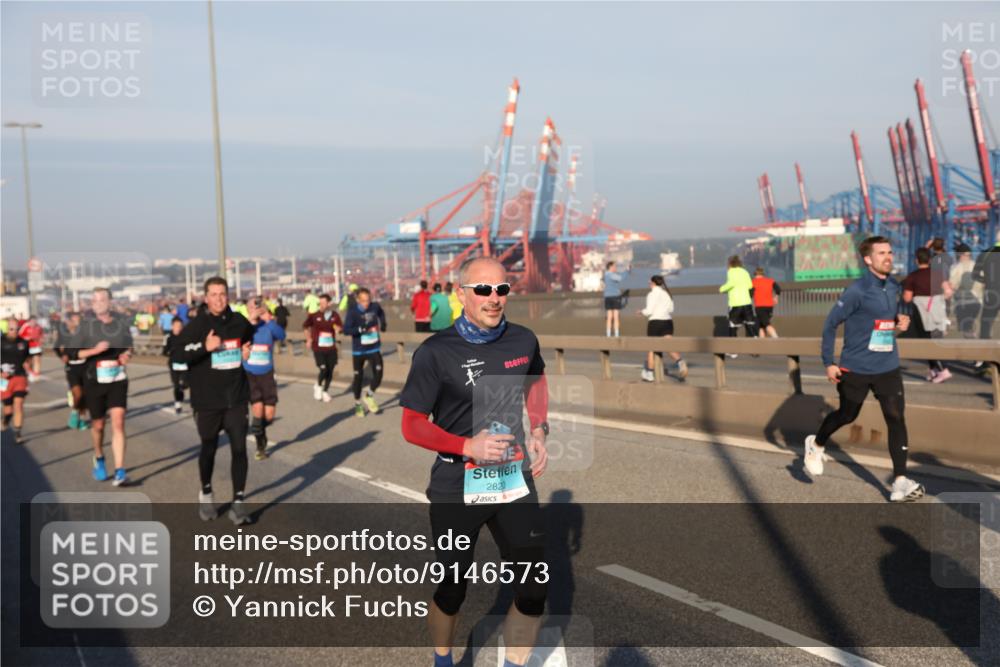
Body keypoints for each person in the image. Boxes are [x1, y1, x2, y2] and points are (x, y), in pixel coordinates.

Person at [400, 257, 550, 667]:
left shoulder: (523, 340)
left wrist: (538, 429)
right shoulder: (436, 352)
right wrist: (467, 446)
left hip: (511, 478)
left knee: (534, 589)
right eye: (483, 290)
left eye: (501, 289)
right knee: (452, 589)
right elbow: (411, 425)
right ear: (460, 294)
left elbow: (535, 381)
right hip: (456, 483)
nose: (494, 298)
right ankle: (443, 658)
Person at [804, 236, 923, 503]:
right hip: (856, 365)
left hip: (887, 365)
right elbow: (830, 324)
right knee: (847, 414)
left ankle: (900, 481)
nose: (888, 257)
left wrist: (898, 324)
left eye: (890, 252)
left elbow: (882, 321)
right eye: (882, 253)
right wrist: (829, 362)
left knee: (895, 417)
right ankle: (817, 443)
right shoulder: (857, 290)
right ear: (868, 259)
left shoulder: (892, 286)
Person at [173, 276, 255, 525]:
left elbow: (248, 338)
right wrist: (204, 347)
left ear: (227, 295)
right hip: (207, 401)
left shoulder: (239, 321)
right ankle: (206, 492)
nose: (219, 299)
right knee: (208, 448)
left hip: (236, 397)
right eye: (214, 294)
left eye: (223, 294)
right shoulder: (198, 325)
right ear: (206, 298)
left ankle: (238, 502)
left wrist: (246, 350)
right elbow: (177, 353)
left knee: (240, 448)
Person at [76, 288, 134, 486]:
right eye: (95, 300)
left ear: (110, 302)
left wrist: (127, 355)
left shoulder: (121, 324)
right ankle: (99, 457)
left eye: (102, 299)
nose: (99, 303)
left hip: (117, 378)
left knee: (118, 422)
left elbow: (129, 345)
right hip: (94, 380)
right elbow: (77, 354)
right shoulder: (86, 326)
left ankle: (120, 470)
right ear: (92, 304)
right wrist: (94, 350)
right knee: (98, 425)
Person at [243, 297, 286, 459]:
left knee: (268, 416)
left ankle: (260, 430)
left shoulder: (267, 326)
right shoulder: (244, 326)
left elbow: (282, 335)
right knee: (257, 410)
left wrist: (269, 319)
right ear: (247, 309)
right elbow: (235, 336)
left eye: (258, 307)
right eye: (253, 307)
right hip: (250, 374)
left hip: (267, 374)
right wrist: (250, 320)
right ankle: (260, 445)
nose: (256, 309)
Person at [902, 247, 952, 383]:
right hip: (938, 310)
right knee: (936, 339)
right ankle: (933, 370)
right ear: (930, 260)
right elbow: (948, 291)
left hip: (922, 312)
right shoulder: (938, 273)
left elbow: (907, 298)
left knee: (927, 341)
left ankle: (943, 370)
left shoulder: (912, 276)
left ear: (916, 260)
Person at [343, 288, 387, 417]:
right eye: (363, 301)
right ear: (358, 300)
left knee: (379, 375)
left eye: (368, 300)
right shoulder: (352, 312)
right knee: (358, 378)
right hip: (359, 351)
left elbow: (381, 313)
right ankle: (358, 404)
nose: (366, 303)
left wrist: (383, 323)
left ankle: (369, 395)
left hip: (373, 347)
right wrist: (359, 329)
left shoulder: (374, 307)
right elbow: (346, 330)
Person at [639, 275, 687, 381]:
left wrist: (641, 312)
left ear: (653, 283)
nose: (648, 282)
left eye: (649, 281)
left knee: (652, 348)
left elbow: (649, 311)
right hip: (668, 322)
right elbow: (671, 309)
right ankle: (680, 362)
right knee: (668, 346)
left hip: (655, 322)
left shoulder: (651, 294)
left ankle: (650, 374)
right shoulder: (666, 294)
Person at [302, 294, 343, 402]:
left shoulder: (334, 315)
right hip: (318, 347)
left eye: (324, 303)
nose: (322, 305)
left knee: (330, 371)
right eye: (320, 303)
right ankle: (318, 386)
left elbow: (339, 327)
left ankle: (325, 391)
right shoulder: (314, 315)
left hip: (331, 348)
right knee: (323, 369)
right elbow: (305, 327)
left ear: (329, 303)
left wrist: (338, 329)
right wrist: (308, 339)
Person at [54, 311, 90, 430]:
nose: (77, 323)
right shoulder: (64, 335)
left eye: (79, 321)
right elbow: (56, 347)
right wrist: (62, 356)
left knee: (85, 395)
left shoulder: (85, 334)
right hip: (72, 367)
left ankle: (81, 419)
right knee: (78, 393)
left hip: (85, 366)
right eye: (75, 320)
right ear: (69, 321)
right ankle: (74, 414)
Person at [719, 255, 757, 356]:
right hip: (747, 303)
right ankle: (756, 349)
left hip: (735, 304)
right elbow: (750, 286)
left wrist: (721, 289)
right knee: (750, 326)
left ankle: (733, 351)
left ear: (730, 263)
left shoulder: (731, 272)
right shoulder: (745, 271)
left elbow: (731, 283)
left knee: (732, 327)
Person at [2, 318, 32, 444]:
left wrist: (28, 365)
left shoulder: (24, 343)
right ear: (7, 329)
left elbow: (28, 358)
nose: (14, 331)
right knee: (8, 409)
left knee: (18, 405)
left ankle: (18, 433)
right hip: (4, 380)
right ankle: (5, 420)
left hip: (20, 376)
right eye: (11, 329)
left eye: (16, 329)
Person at [949, 243, 981, 339]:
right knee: (969, 325)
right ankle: (970, 332)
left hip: (962, 302)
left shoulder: (956, 268)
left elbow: (952, 286)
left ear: (959, 255)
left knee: (965, 328)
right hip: (978, 302)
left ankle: (968, 334)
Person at [973, 233, 1000, 344]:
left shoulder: (985, 253)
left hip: (991, 293)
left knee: (986, 324)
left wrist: (986, 281)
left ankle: (984, 357)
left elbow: (974, 275)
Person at [162, 317, 189, 414]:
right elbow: (164, 352)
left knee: (186, 384)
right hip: (174, 364)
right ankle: (178, 403)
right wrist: (170, 351)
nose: (178, 328)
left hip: (185, 364)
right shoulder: (168, 337)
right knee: (176, 385)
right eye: (176, 326)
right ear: (172, 326)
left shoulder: (186, 336)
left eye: (180, 326)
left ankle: (182, 389)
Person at [752, 267, 781, 338]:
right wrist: (776, 297)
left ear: (755, 274)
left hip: (760, 306)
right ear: (763, 274)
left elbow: (750, 294)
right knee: (761, 326)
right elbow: (778, 289)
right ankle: (762, 343)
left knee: (767, 325)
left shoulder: (753, 282)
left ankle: (777, 339)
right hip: (769, 307)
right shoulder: (770, 281)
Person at [603, 261, 628, 337]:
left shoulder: (606, 275)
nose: (615, 268)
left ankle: (608, 334)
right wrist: (626, 271)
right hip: (615, 297)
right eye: (614, 266)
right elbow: (620, 278)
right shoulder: (611, 275)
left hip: (607, 297)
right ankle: (616, 334)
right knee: (616, 317)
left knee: (609, 316)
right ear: (610, 267)